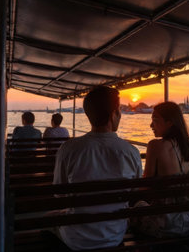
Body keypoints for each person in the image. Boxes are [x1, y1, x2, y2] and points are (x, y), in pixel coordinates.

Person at [52, 86, 142, 250]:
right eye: (119, 110)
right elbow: (134, 193)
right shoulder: (131, 152)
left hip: (76, 239)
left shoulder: (68, 149)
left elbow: (60, 193)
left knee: (50, 218)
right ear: (113, 114)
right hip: (115, 235)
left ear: (88, 114)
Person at [132, 101, 189, 238]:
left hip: (165, 226)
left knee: (136, 205)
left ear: (170, 123)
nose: (151, 125)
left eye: (155, 120)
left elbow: (145, 188)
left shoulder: (155, 146)